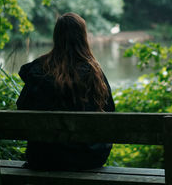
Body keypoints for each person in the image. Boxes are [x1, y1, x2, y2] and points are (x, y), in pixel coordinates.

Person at [16, 12, 115, 172]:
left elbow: (22, 107)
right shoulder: (93, 72)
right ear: (83, 36)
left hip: (44, 157)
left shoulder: (38, 70)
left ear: (56, 36)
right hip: (88, 157)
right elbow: (109, 112)